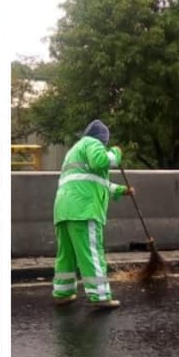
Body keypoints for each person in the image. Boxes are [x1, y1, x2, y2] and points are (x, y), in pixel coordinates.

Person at [51, 119, 134, 308]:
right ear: (102, 139)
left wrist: (122, 190)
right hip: (84, 210)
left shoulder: (73, 151)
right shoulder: (92, 143)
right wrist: (116, 153)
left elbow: (95, 180)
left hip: (63, 210)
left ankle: (62, 293)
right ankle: (100, 296)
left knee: (67, 254)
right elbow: (101, 162)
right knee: (92, 253)